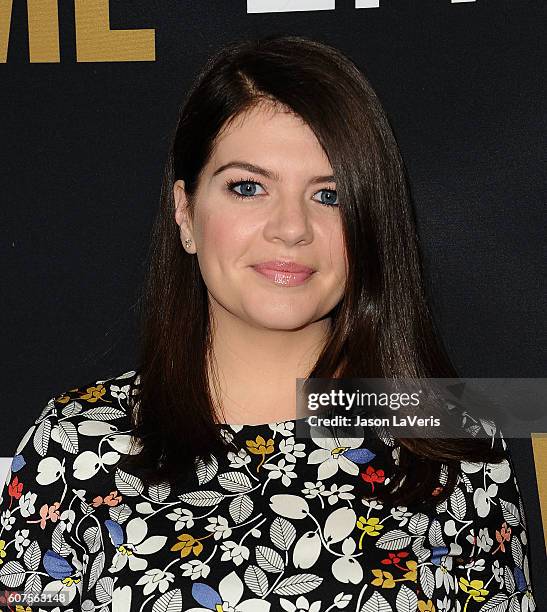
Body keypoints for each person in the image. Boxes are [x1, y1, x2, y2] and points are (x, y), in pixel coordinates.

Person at [0, 35, 536, 612]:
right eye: (248, 187)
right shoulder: (76, 446)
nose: (291, 228)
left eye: (329, 195)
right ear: (185, 212)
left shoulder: (449, 441)